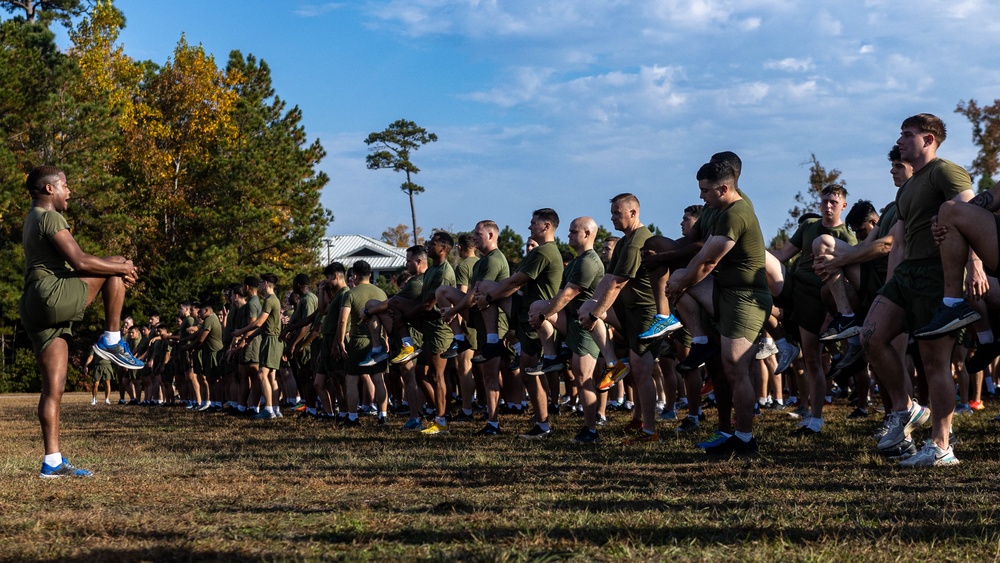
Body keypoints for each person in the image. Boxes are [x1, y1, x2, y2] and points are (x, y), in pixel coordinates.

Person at [861, 113, 977, 467]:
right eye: (900, 135)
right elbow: (899, 242)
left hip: (937, 274)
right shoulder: (908, 185)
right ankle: (906, 407)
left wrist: (976, 265)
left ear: (929, 140)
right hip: (908, 275)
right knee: (871, 335)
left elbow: (972, 215)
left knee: (934, 362)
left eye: (907, 135)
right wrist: (892, 282)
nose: (900, 141)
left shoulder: (945, 171)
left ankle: (941, 446)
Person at [19, 165, 143, 478]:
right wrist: (125, 266)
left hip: (34, 304)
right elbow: (81, 261)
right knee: (113, 264)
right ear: (50, 189)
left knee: (53, 389)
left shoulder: (31, 218)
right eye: (65, 185)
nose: (69, 191)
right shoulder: (50, 216)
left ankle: (52, 461)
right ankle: (112, 339)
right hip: (50, 294)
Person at [667, 160, 771, 456]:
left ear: (724, 188)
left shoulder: (736, 214)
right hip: (725, 291)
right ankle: (700, 341)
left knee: (736, 368)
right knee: (676, 276)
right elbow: (697, 253)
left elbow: (708, 262)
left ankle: (744, 438)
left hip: (746, 298)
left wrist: (682, 285)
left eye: (706, 190)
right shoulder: (723, 211)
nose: (702, 197)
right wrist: (681, 281)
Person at [768, 185, 856, 434]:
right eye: (825, 201)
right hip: (793, 287)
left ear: (843, 206)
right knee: (757, 286)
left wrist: (833, 311)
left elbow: (846, 283)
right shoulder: (808, 227)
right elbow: (783, 254)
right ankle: (783, 343)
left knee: (813, 361)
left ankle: (815, 418)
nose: (828, 206)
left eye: (833, 202)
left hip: (818, 299)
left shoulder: (847, 237)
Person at [580, 194, 661, 444]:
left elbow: (617, 283)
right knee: (585, 309)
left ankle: (650, 431)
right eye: (612, 213)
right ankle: (614, 364)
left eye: (617, 213)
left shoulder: (638, 241)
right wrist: (591, 306)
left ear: (633, 213)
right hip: (627, 310)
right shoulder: (625, 241)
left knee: (643, 370)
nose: (613, 217)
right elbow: (608, 277)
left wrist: (595, 314)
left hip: (645, 313)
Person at [527, 217, 605, 443]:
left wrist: (545, 315)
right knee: (537, 305)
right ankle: (552, 356)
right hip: (572, 320)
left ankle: (591, 429)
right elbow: (560, 296)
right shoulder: (578, 261)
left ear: (588, 234)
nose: (568, 235)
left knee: (583, 377)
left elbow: (569, 294)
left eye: (573, 232)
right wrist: (543, 312)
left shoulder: (589, 261)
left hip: (586, 326)